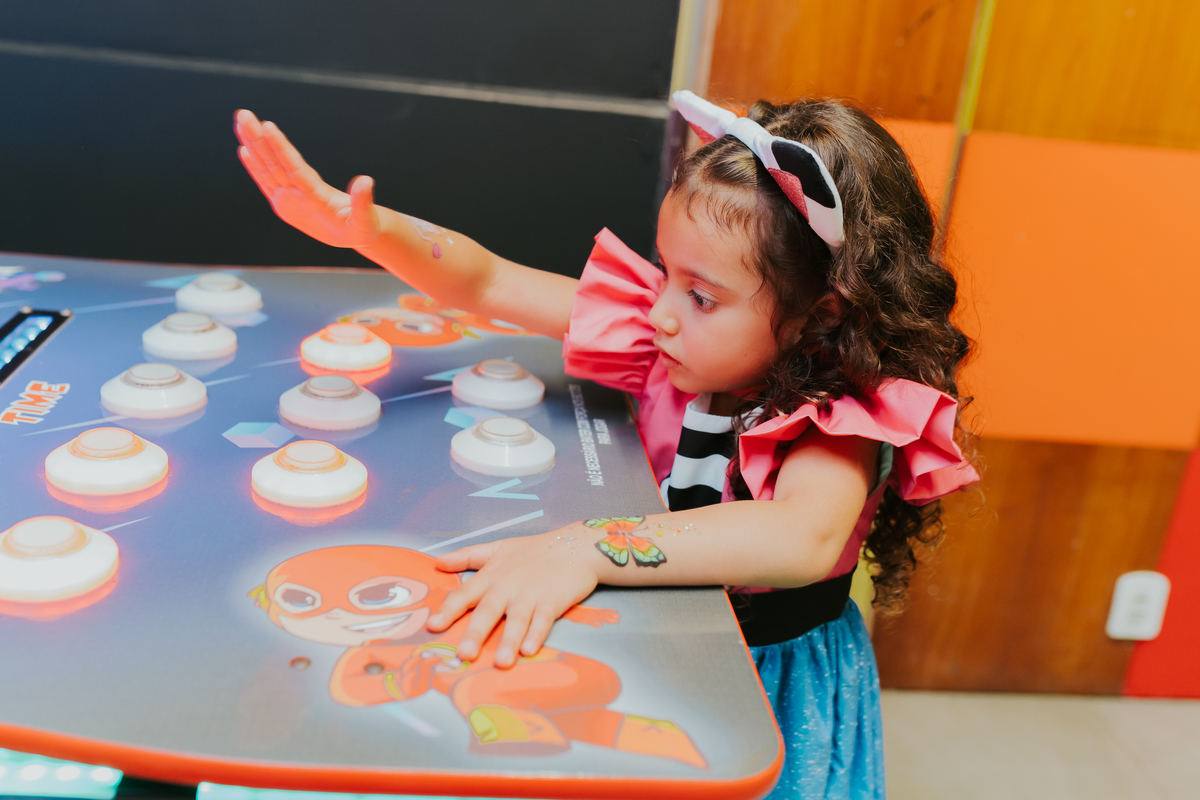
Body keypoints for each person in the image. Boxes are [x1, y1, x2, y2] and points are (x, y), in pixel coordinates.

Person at [233, 90, 979, 798]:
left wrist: (584, 547)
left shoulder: (837, 413)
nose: (659, 311)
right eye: (665, 273)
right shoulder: (666, 341)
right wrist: (368, 230)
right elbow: (490, 280)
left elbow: (801, 535)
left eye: (702, 295)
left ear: (819, 315)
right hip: (643, 646)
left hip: (763, 688)